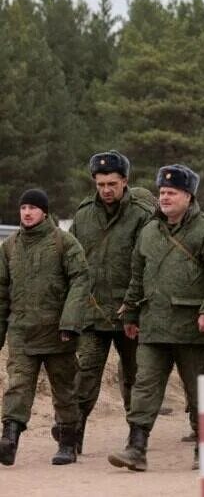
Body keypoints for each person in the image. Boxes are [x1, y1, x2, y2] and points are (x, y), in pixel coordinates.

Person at [107, 165, 204, 472]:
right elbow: (138, 277)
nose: (164, 197)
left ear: (188, 196)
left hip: (194, 327)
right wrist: (131, 312)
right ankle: (136, 448)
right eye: (162, 192)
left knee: (202, 390)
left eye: (171, 193)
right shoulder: (149, 232)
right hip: (153, 325)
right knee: (144, 388)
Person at [66, 151, 153, 455]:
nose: (106, 190)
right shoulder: (83, 215)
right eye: (101, 183)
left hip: (131, 313)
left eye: (112, 183)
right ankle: (71, 439)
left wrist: (135, 305)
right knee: (84, 374)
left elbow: (148, 265)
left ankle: (136, 438)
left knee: (135, 377)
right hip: (92, 311)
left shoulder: (142, 215)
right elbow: (73, 263)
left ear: (125, 182)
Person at [0, 189, 89, 467]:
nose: (27, 212)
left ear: (45, 212)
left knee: (64, 389)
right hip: (22, 332)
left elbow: (80, 281)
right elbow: (1, 291)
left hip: (58, 332)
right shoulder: (9, 246)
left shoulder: (64, 243)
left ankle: (66, 443)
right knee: (17, 386)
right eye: (23, 207)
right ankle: (9, 440)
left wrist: (71, 322)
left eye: (33, 208)